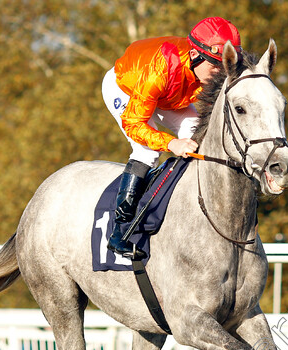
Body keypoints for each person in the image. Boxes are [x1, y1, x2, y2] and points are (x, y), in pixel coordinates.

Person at [102, 16, 242, 259]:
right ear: (197, 55)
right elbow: (134, 123)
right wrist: (170, 142)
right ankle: (120, 231)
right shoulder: (159, 70)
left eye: (225, 66)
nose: (220, 73)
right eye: (215, 66)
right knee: (147, 150)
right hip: (128, 87)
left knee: (196, 136)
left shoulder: (202, 66)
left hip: (172, 93)